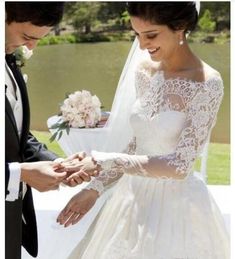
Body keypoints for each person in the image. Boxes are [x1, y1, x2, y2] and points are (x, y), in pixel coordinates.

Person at [57, 2, 229, 258]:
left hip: (176, 209)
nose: (141, 45)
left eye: (150, 35)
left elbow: (179, 166)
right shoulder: (145, 72)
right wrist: (95, 188)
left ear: (180, 27)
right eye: (137, 35)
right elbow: (138, 144)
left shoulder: (206, 82)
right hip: (129, 199)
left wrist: (104, 160)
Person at [5, 2, 99, 259]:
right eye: (26, 37)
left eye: (37, 39)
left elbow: (15, 135)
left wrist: (57, 163)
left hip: (9, 221)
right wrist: (19, 173)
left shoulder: (8, 61)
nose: (30, 47)